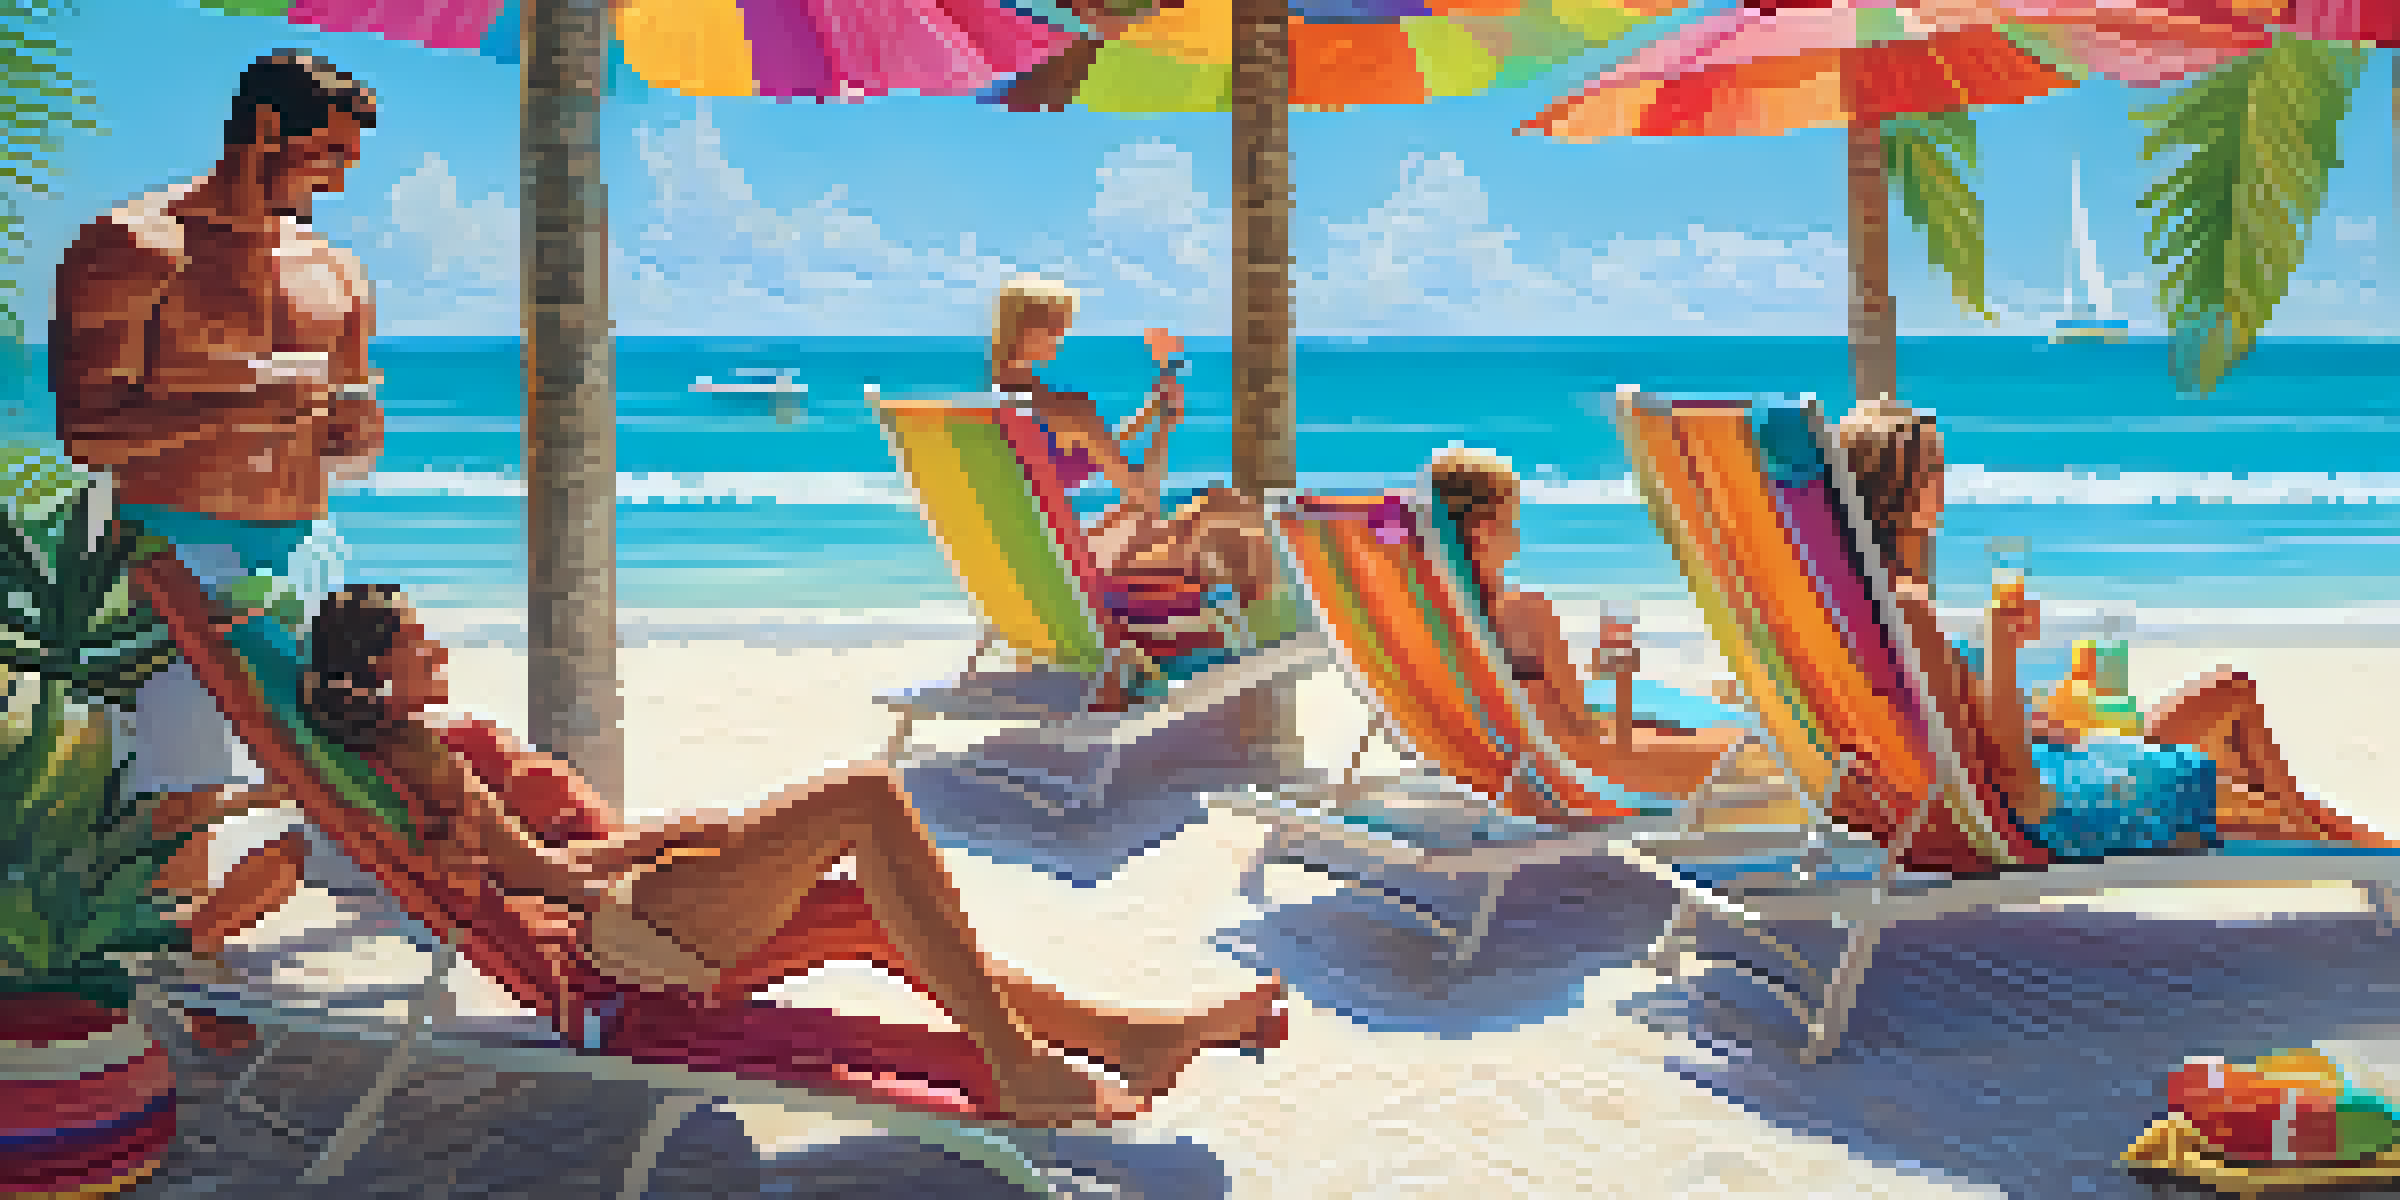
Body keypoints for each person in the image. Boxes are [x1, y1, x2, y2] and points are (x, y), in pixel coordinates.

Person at [159, 585, 1288, 1127]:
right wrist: (670, 836)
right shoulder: (430, 769)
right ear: (382, 673)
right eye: (419, 640)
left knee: (862, 907)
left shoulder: (407, 754)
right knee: (862, 796)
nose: (439, 645)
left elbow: (523, 871)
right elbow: (550, 883)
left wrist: (679, 838)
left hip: (622, 923)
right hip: (615, 952)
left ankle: (1129, 1036)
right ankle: (1021, 1063)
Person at [1831, 395, 2391, 850]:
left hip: (2049, 762)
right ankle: (2354, 854)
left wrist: (2036, 717)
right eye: (1933, 469)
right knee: (2250, 785)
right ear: (1895, 494)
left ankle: (2364, 850)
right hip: (2053, 807)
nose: (1945, 481)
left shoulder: (1866, 603)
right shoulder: (1907, 609)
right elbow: (2020, 792)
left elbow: (1964, 736)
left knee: (2231, 703)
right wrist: (2001, 646)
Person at [52, 49, 381, 809]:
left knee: (347, 791)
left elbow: (356, 442)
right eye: (328, 154)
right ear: (266, 129)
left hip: (308, 548)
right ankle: (183, 927)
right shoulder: (134, 246)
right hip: (175, 548)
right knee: (183, 787)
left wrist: (356, 434)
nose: (338, 179)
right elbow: (87, 431)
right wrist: (249, 407)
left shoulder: (335, 269)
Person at [1425, 448, 1752, 808]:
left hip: (1525, 769)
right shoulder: (1523, 609)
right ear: (1484, 532)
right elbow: (1585, 727)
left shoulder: (1440, 620)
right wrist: (1622, 674)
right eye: (1511, 524)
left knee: (1678, 729)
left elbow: (1549, 714)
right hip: (1595, 773)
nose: (1516, 540)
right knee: (1755, 746)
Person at [986, 276, 1278, 614]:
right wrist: (1165, 424)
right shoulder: (1068, 410)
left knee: (1200, 515)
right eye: (1054, 326)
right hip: (1077, 571)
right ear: (1026, 331)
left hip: (1027, 567)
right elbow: (1145, 499)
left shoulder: (996, 409)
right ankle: (1267, 625)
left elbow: (1087, 449)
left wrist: (1153, 405)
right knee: (1227, 507)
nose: (1061, 337)